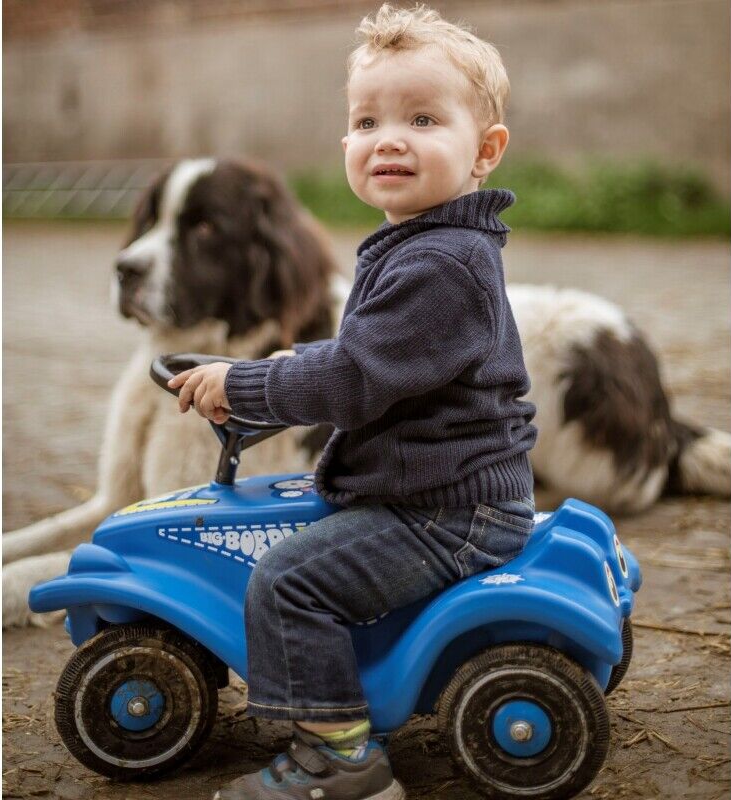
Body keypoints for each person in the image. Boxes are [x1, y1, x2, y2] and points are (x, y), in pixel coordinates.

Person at [168, 4, 537, 798]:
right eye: (367, 121)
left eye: (423, 119)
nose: (389, 139)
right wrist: (280, 367)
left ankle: (340, 759)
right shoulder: (423, 244)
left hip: (445, 511)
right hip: (436, 488)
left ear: (485, 151)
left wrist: (246, 383)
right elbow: (373, 364)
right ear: (345, 144)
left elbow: (355, 379)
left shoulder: (441, 264)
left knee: (288, 579)